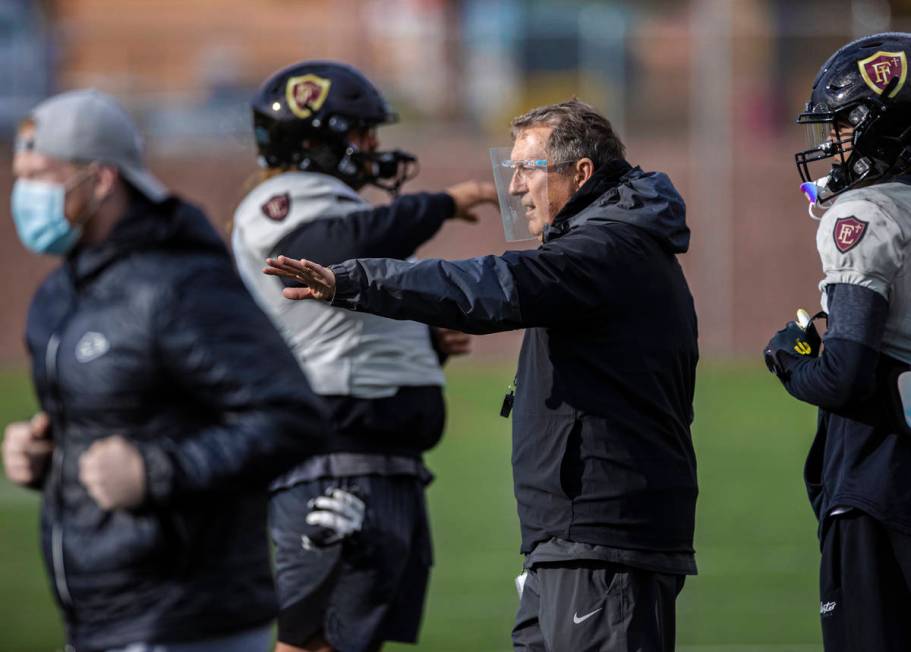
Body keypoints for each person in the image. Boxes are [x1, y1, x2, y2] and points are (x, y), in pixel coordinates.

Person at [264, 99, 699, 652]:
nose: (514, 187)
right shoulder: (609, 242)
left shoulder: (606, 249)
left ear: (581, 173)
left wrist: (357, 282)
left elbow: (489, 286)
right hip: (573, 540)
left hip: (601, 538)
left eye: (528, 169)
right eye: (511, 168)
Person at [1, 89, 329, 652]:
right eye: (19, 175)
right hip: (97, 616)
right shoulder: (60, 295)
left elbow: (292, 417)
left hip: (186, 618)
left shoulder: (183, 284)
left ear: (101, 179)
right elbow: (123, 414)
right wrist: (50, 455)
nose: (23, 193)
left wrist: (160, 471)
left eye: (41, 175)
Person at [231, 60, 494, 652]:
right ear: (313, 136)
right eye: (358, 131)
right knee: (313, 642)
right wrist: (441, 205)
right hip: (335, 460)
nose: (373, 145)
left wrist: (422, 347)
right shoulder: (282, 201)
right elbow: (328, 254)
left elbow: (338, 309)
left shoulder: (335, 201)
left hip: (382, 460)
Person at [764, 32, 911, 652]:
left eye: (845, 126)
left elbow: (844, 374)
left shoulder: (867, 215)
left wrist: (792, 359)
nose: (832, 144)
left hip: (879, 478)